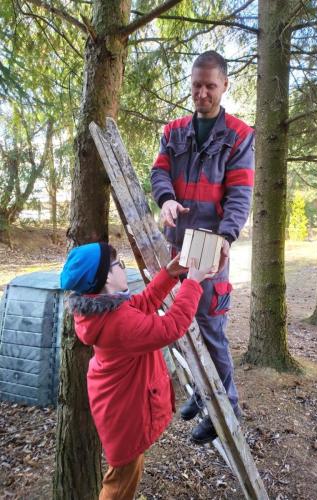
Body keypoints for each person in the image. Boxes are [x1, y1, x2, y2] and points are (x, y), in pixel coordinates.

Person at [151, 50, 255, 444]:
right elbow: (159, 170)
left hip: (212, 250)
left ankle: (226, 407)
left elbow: (241, 193)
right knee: (182, 324)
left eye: (210, 86)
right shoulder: (174, 130)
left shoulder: (240, 136)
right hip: (178, 247)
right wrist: (165, 200)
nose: (202, 93)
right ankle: (200, 390)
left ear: (225, 85)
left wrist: (227, 237)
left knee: (211, 328)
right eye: (196, 85)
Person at [60, 242, 212, 500]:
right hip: (124, 413)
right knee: (120, 483)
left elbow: (144, 302)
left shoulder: (108, 309)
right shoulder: (118, 321)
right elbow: (171, 327)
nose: (123, 267)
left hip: (118, 405)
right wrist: (193, 283)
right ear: (106, 276)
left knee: (127, 472)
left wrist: (170, 273)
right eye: (119, 264)